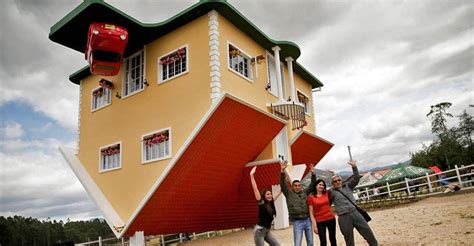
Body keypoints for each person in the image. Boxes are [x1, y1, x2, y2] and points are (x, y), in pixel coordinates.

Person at [330, 160, 378, 246]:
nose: (337, 182)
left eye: (339, 180)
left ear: (341, 181)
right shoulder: (331, 192)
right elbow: (327, 203)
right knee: (348, 238)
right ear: (332, 184)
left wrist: (354, 167)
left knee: (367, 232)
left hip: (355, 212)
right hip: (343, 216)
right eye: (335, 181)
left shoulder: (348, 186)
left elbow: (356, 178)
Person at [280, 160, 316, 246]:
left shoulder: (305, 192)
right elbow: (283, 185)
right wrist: (282, 172)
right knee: (297, 243)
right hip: (297, 222)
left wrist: (313, 174)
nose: (297, 187)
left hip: (307, 220)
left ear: (301, 186)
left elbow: (312, 185)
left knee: (310, 242)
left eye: (299, 185)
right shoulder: (288, 193)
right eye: (295, 185)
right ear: (292, 186)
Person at [250, 166, 281, 246]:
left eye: (270, 194)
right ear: (264, 195)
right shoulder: (261, 203)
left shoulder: (271, 202)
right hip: (259, 231)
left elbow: (280, 190)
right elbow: (255, 189)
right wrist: (252, 176)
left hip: (267, 231)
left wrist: (285, 178)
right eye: (267, 194)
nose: (270, 195)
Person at [308, 179, 337, 246]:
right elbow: (311, 213)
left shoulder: (327, 193)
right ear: (316, 185)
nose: (321, 186)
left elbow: (335, 186)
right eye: (320, 184)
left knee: (333, 239)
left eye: (323, 185)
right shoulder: (311, 197)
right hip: (320, 222)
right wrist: (314, 226)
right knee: (323, 241)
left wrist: (333, 175)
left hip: (331, 219)